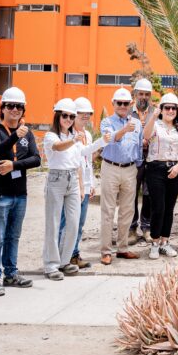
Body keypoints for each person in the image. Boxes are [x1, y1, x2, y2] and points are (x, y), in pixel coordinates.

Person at [0, 86, 41, 296]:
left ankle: (10, 273)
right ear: (3, 108)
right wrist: (15, 136)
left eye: (19, 106)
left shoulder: (28, 133)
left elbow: (37, 159)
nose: (15, 110)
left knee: (13, 236)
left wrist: (14, 165)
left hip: (19, 194)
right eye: (11, 106)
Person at [42, 99, 88, 280]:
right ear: (58, 116)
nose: (68, 119)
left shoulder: (74, 138)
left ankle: (65, 261)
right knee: (53, 224)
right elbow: (58, 148)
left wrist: (102, 142)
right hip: (56, 179)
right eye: (65, 115)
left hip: (72, 179)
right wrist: (74, 139)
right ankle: (51, 265)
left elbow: (82, 155)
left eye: (71, 116)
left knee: (74, 223)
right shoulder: (51, 136)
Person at [58, 96, 105, 269]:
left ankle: (74, 255)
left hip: (85, 186)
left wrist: (91, 183)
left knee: (79, 223)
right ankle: (61, 257)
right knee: (66, 223)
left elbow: (87, 161)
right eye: (81, 113)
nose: (85, 116)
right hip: (71, 185)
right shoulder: (67, 136)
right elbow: (75, 159)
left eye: (89, 113)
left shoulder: (87, 135)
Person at [99, 87, 143, 265]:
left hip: (130, 169)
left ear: (130, 104)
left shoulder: (137, 123)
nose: (123, 106)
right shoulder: (107, 122)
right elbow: (110, 139)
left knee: (127, 211)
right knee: (108, 210)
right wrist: (125, 129)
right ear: (113, 104)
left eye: (126, 103)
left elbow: (139, 146)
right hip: (110, 167)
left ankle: (122, 248)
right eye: (120, 103)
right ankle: (106, 251)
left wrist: (137, 165)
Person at [143, 93, 178, 258]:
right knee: (158, 207)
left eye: (173, 108)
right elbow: (146, 136)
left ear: (177, 110)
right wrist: (153, 116)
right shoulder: (155, 125)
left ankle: (165, 242)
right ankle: (154, 243)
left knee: (169, 208)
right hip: (156, 169)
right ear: (161, 109)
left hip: (175, 170)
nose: (170, 110)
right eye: (167, 107)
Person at [130, 78, 154, 243]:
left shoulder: (156, 113)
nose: (143, 97)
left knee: (149, 194)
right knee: (131, 194)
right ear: (135, 94)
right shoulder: (127, 112)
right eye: (141, 94)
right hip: (133, 159)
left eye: (146, 94)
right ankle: (132, 228)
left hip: (151, 159)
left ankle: (146, 227)